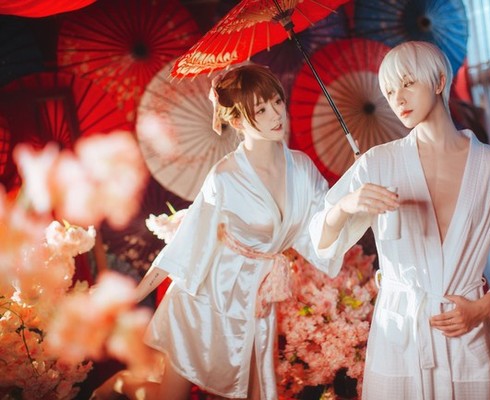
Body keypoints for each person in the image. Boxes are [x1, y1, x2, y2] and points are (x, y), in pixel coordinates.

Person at [93, 64, 342, 400]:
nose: (276, 115)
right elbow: (186, 244)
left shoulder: (301, 167)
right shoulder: (225, 176)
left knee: (255, 392)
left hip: (257, 298)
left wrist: (352, 200)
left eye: (277, 101)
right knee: (172, 398)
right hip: (209, 297)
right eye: (261, 110)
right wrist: (129, 296)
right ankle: (121, 383)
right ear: (237, 122)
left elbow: (321, 228)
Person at [309, 41, 490, 400]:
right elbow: (320, 237)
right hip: (399, 330)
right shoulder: (377, 163)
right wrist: (347, 204)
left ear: (439, 81)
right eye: (389, 91)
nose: (397, 99)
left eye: (407, 83)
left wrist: (482, 308)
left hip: (464, 328)